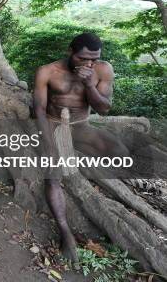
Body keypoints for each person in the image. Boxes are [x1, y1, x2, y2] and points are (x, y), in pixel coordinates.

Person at [33, 33, 128, 262]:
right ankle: (65, 231)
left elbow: (104, 108)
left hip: (81, 126)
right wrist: (48, 145)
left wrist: (88, 84)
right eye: (83, 58)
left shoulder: (103, 70)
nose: (88, 64)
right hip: (55, 127)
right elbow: (38, 110)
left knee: (120, 152)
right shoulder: (48, 71)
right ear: (70, 51)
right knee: (53, 175)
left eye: (93, 60)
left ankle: (90, 174)